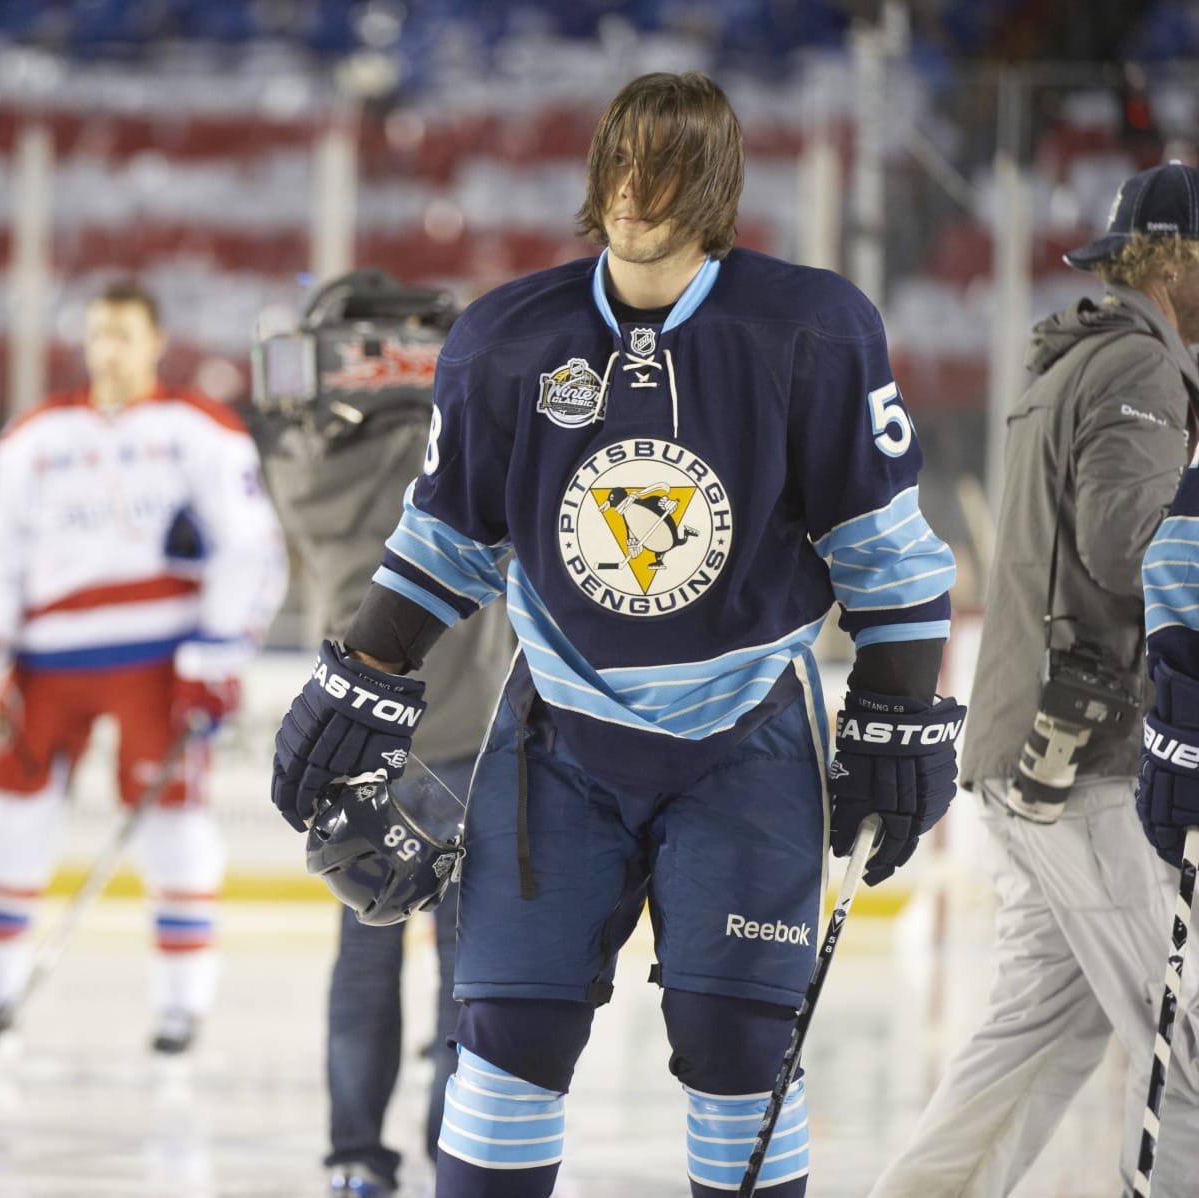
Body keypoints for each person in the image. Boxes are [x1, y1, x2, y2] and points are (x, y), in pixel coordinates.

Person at [268, 71, 962, 1198]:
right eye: (624, 161)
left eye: (672, 164)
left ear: (718, 183)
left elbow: (885, 550)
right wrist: (365, 666)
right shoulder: (504, 336)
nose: (639, 189)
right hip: (560, 742)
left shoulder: (814, 327)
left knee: (737, 1047)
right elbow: (448, 540)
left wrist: (900, 703)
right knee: (503, 1037)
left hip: (747, 743)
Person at [870, 161, 1199, 1196]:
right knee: (1185, 1052)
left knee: (1031, 1042)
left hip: (1026, 748)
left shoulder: (1074, 357)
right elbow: (1123, 546)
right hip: (1087, 765)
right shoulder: (1142, 371)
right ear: (1179, 260)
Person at [0, 279, 287, 1081]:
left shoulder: (199, 430)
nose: (108, 349)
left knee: (172, 829)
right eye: (97, 334)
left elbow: (251, 548)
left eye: (124, 333)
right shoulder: (31, 438)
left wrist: (216, 659)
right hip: (47, 662)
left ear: (156, 341)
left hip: (157, 662)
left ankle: (181, 1008)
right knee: (12, 826)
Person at [250, 269, 516, 1198]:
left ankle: (355, 1158)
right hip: (466, 728)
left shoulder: (303, 455)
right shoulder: (456, 448)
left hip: (356, 736)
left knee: (364, 953)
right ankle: (455, 1148)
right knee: (463, 964)